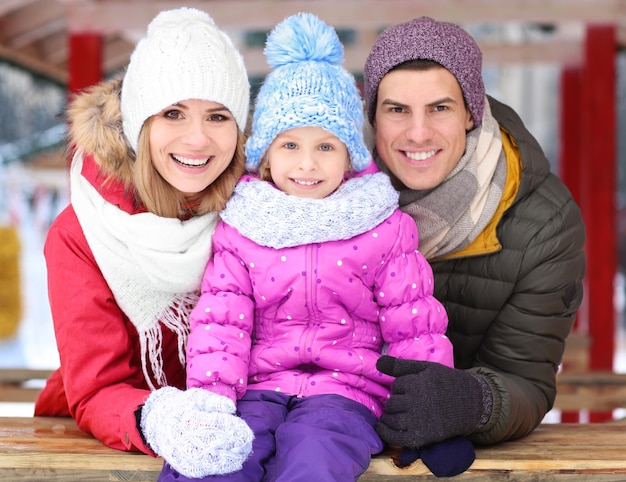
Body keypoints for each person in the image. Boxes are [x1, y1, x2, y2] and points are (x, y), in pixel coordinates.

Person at [158, 13, 475, 482]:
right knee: (216, 460)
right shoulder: (243, 226)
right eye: (289, 146)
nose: (307, 164)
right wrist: (212, 402)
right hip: (256, 388)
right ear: (265, 154)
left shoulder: (381, 227)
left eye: (326, 147)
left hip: (347, 392)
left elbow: (413, 325)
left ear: (350, 154)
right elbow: (222, 322)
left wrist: (431, 413)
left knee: (314, 458)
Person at [34, 7, 255, 479]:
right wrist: (160, 418)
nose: (197, 139)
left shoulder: (255, 209)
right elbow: (96, 389)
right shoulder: (83, 233)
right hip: (111, 441)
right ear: (139, 123)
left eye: (217, 116)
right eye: (173, 113)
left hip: (242, 430)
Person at [363, 16, 586, 451]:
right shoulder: (323, 187)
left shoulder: (542, 224)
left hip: (449, 450)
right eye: (397, 110)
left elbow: (525, 379)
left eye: (439, 108)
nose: (418, 133)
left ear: (471, 111)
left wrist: (476, 402)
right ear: (373, 115)